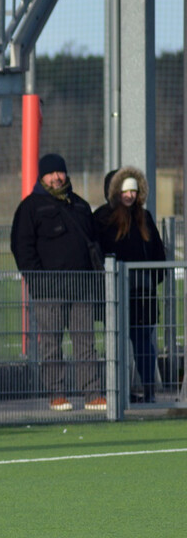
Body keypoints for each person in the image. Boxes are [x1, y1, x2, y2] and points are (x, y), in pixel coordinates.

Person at [10, 153, 106, 412]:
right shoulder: (30, 207)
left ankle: (93, 393)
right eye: (50, 174)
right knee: (51, 343)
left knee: (86, 343)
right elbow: (22, 248)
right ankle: (56, 394)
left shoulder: (81, 206)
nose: (56, 178)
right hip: (48, 290)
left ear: (66, 174)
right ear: (42, 177)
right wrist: (38, 280)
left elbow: (95, 244)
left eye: (59, 172)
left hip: (81, 288)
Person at [93, 166, 165, 403]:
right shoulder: (102, 218)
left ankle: (148, 391)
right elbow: (97, 254)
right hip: (115, 293)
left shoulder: (145, 218)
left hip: (143, 294)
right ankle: (118, 392)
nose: (130, 196)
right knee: (115, 344)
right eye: (125, 191)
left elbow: (158, 254)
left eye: (134, 191)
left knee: (143, 343)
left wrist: (151, 279)